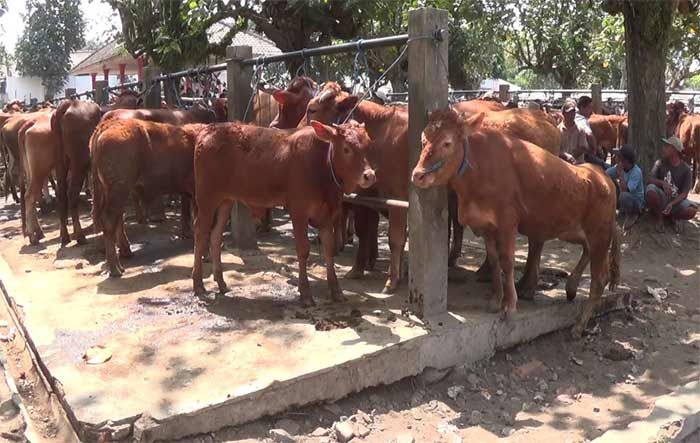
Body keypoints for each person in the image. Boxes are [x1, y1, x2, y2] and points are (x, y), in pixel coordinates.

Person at [645, 136, 698, 233]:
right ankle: (659, 218)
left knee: (692, 210)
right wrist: (662, 183)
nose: (663, 148)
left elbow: (684, 194)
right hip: (662, 198)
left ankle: (673, 217)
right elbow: (649, 180)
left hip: (676, 202)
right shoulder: (660, 163)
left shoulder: (686, 169)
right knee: (650, 190)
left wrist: (672, 204)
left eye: (666, 146)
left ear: (674, 150)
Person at [605, 145, 644, 230]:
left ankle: (633, 215)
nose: (617, 158)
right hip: (623, 198)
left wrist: (620, 175)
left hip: (635, 203)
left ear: (625, 161)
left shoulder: (636, 172)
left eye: (619, 157)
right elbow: (606, 174)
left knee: (624, 196)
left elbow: (626, 190)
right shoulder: (619, 167)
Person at [559, 98, 588, 164]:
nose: (572, 115)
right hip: (562, 164)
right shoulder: (558, 130)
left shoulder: (580, 129)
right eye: (569, 113)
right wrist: (565, 155)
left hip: (577, 164)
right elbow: (557, 148)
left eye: (573, 112)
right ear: (563, 113)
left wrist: (572, 157)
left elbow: (583, 147)